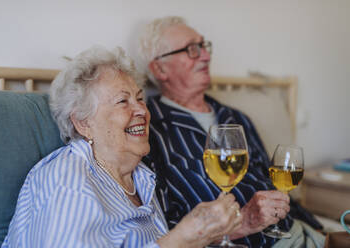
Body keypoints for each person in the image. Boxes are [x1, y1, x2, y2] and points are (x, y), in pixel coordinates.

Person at [1, 45, 242, 248]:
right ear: (83, 123)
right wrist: (179, 241)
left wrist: (231, 227)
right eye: (122, 101)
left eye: (139, 98)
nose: (141, 110)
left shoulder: (140, 178)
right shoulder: (69, 180)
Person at [139, 16, 325, 247]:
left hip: (296, 233)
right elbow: (165, 226)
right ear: (159, 68)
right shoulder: (148, 128)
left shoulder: (236, 117)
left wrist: (320, 230)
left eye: (204, 46)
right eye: (192, 49)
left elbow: (274, 183)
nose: (206, 56)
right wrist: (243, 222)